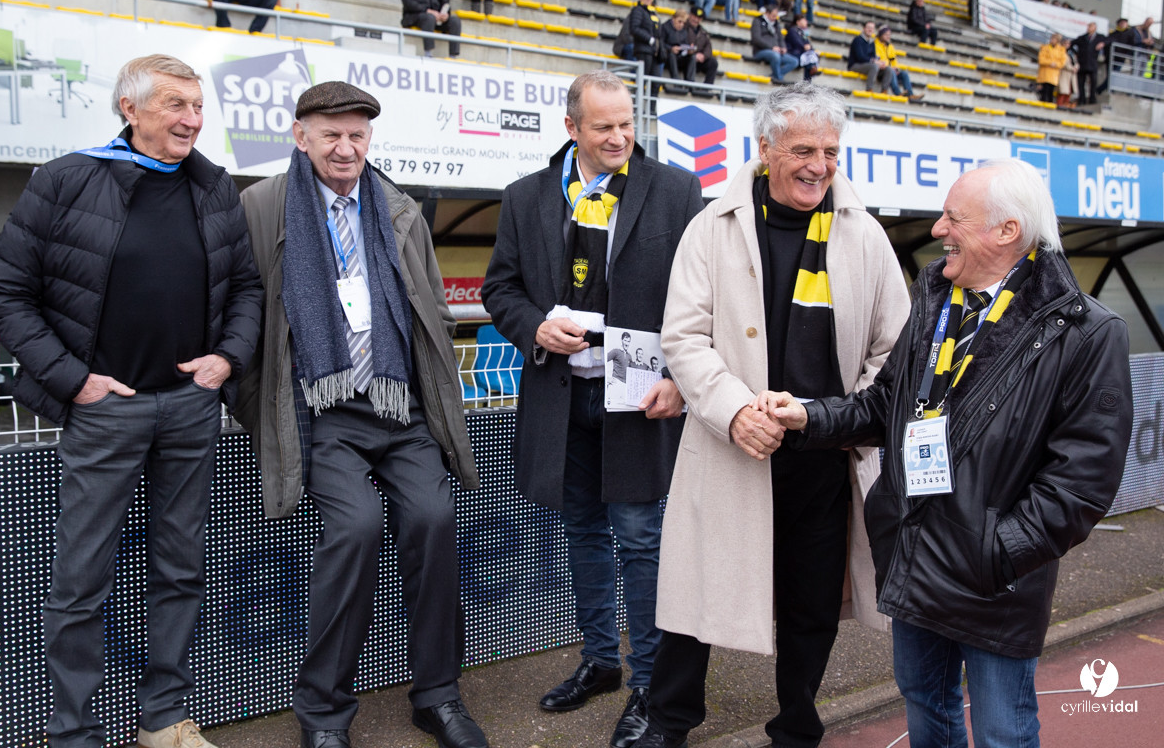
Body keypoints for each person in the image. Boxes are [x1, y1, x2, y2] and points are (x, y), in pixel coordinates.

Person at [764, 158, 1134, 748]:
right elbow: (887, 404)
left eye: (953, 219)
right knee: (927, 715)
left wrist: (996, 552)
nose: (938, 230)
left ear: (1007, 231)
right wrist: (809, 416)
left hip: (993, 582)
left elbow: (1082, 482)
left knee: (1002, 732)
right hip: (915, 556)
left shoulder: (1086, 331)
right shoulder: (936, 297)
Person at [0, 53, 264, 748]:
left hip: (191, 408)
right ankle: (73, 733)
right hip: (103, 410)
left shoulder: (215, 188)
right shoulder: (65, 181)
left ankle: (164, 720)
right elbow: (5, 293)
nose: (192, 119)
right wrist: (74, 381)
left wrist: (227, 358)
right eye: (175, 104)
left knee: (181, 570)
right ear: (129, 109)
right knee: (81, 580)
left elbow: (247, 289)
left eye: (197, 106)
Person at [630, 83, 909, 748]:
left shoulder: (865, 235)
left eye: (830, 152)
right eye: (803, 150)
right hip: (732, 449)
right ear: (765, 149)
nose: (819, 166)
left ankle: (797, 727)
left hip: (824, 454)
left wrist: (835, 417)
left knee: (813, 606)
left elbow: (893, 351)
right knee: (694, 604)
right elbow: (684, 338)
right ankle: (668, 723)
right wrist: (734, 413)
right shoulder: (711, 227)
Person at [235, 81, 485, 748]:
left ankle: (438, 695)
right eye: (331, 135)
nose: (345, 148)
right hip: (321, 413)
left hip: (398, 405)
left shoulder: (398, 207)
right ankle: (323, 713)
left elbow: (433, 308)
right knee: (356, 527)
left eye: (357, 135)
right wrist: (260, 408)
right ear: (301, 137)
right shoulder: (262, 206)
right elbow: (241, 313)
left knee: (432, 520)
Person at [481, 70, 703, 748]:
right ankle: (602, 661)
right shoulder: (525, 196)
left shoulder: (675, 190)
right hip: (562, 398)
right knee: (581, 531)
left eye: (627, 123)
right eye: (603, 127)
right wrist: (534, 327)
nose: (619, 137)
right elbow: (500, 288)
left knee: (639, 539)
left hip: (639, 398)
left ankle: (650, 685)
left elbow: (703, 295)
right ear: (571, 127)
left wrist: (681, 378)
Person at [614, 0, 660, 69]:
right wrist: (644, 41)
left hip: (646, 47)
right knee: (634, 48)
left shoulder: (653, 15)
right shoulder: (635, 12)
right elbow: (627, 34)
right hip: (628, 45)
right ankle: (635, 75)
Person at [751, 4, 798, 84]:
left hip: (776, 51)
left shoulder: (776, 24)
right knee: (775, 56)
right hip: (761, 50)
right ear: (767, 13)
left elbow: (780, 38)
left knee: (794, 61)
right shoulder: (757, 21)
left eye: (776, 16)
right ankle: (779, 79)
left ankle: (775, 75)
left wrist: (783, 47)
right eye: (773, 16)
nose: (775, 18)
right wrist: (771, 48)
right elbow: (756, 39)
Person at [876, 24, 923, 100]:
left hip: (891, 70)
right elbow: (878, 60)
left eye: (889, 35)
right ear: (881, 35)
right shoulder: (875, 45)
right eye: (886, 34)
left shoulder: (890, 46)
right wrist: (891, 67)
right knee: (891, 71)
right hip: (881, 71)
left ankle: (910, 94)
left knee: (904, 73)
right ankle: (897, 93)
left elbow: (894, 60)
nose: (888, 37)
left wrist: (896, 68)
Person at [848, 20, 894, 93]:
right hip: (855, 65)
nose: (870, 30)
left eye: (872, 28)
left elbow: (873, 56)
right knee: (874, 66)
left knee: (888, 69)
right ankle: (869, 89)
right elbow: (860, 57)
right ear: (864, 28)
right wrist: (874, 61)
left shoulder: (871, 42)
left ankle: (884, 91)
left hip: (867, 65)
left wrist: (880, 63)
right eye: (868, 27)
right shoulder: (857, 40)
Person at [661, 9, 698, 89]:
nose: (681, 25)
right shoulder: (665, 27)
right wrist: (670, 48)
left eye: (683, 23)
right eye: (679, 22)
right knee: (672, 55)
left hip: (680, 55)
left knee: (692, 57)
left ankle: (690, 83)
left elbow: (685, 44)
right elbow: (661, 42)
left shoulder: (684, 31)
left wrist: (689, 50)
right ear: (673, 19)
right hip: (667, 55)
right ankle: (676, 82)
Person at [1071, 22, 1106, 105]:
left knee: (1093, 82)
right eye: (1088, 26)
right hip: (1082, 63)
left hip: (1092, 63)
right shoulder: (1082, 38)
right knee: (1080, 83)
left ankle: (1092, 99)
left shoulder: (1100, 37)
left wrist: (1103, 43)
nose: (1088, 28)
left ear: (1095, 28)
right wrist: (1076, 53)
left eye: (1091, 27)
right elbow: (1071, 44)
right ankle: (1081, 99)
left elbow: (1109, 40)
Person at [686, 7, 719, 88]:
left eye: (699, 18)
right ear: (690, 15)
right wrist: (693, 54)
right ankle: (689, 86)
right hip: (686, 58)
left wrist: (704, 56)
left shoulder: (703, 32)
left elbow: (708, 47)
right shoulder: (683, 27)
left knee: (713, 62)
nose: (696, 20)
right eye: (694, 16)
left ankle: (706, 88)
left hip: (699, 60)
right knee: (692, 58)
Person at [785, 13, 821, 80]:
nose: (806, 22)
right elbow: (797, 42)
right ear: (798, 22)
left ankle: (812, 70)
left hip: (801, 53)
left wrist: (810, 48)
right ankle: (812, 69)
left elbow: (808, 44)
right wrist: (805, 47)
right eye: (804, 20)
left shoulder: (802, 32)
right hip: (793, 53)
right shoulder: (792, 30)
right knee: (809, 61)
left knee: (812, 56)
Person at [1037, 33, 1067, 104]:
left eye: (1054, 39)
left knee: (1050, 93)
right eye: (1051, 39)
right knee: (1043, 93)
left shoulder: (1061, 50)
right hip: (1044, 74)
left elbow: (1062, 63)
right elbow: (1041, 60)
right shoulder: (1045, 48)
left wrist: (1055, 64)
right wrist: (1050, 63)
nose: (1052, 40)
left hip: (1054, 75)